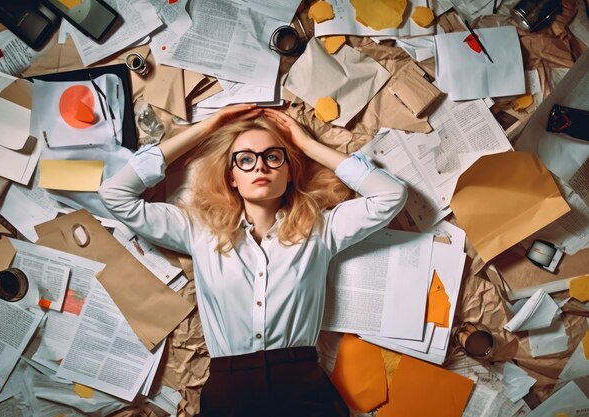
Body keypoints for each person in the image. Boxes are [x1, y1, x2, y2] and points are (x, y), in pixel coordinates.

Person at [98, 104, 407, 417]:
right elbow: (115, 195)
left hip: (302, 384)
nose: (260, 167)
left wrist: (307, 145)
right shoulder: (199, 231)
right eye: (245, 159)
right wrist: (205, 129)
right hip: (229, 390)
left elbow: (390, 195)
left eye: (273, 157)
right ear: (231, 177)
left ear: (289, 172)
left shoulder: (320, 229)